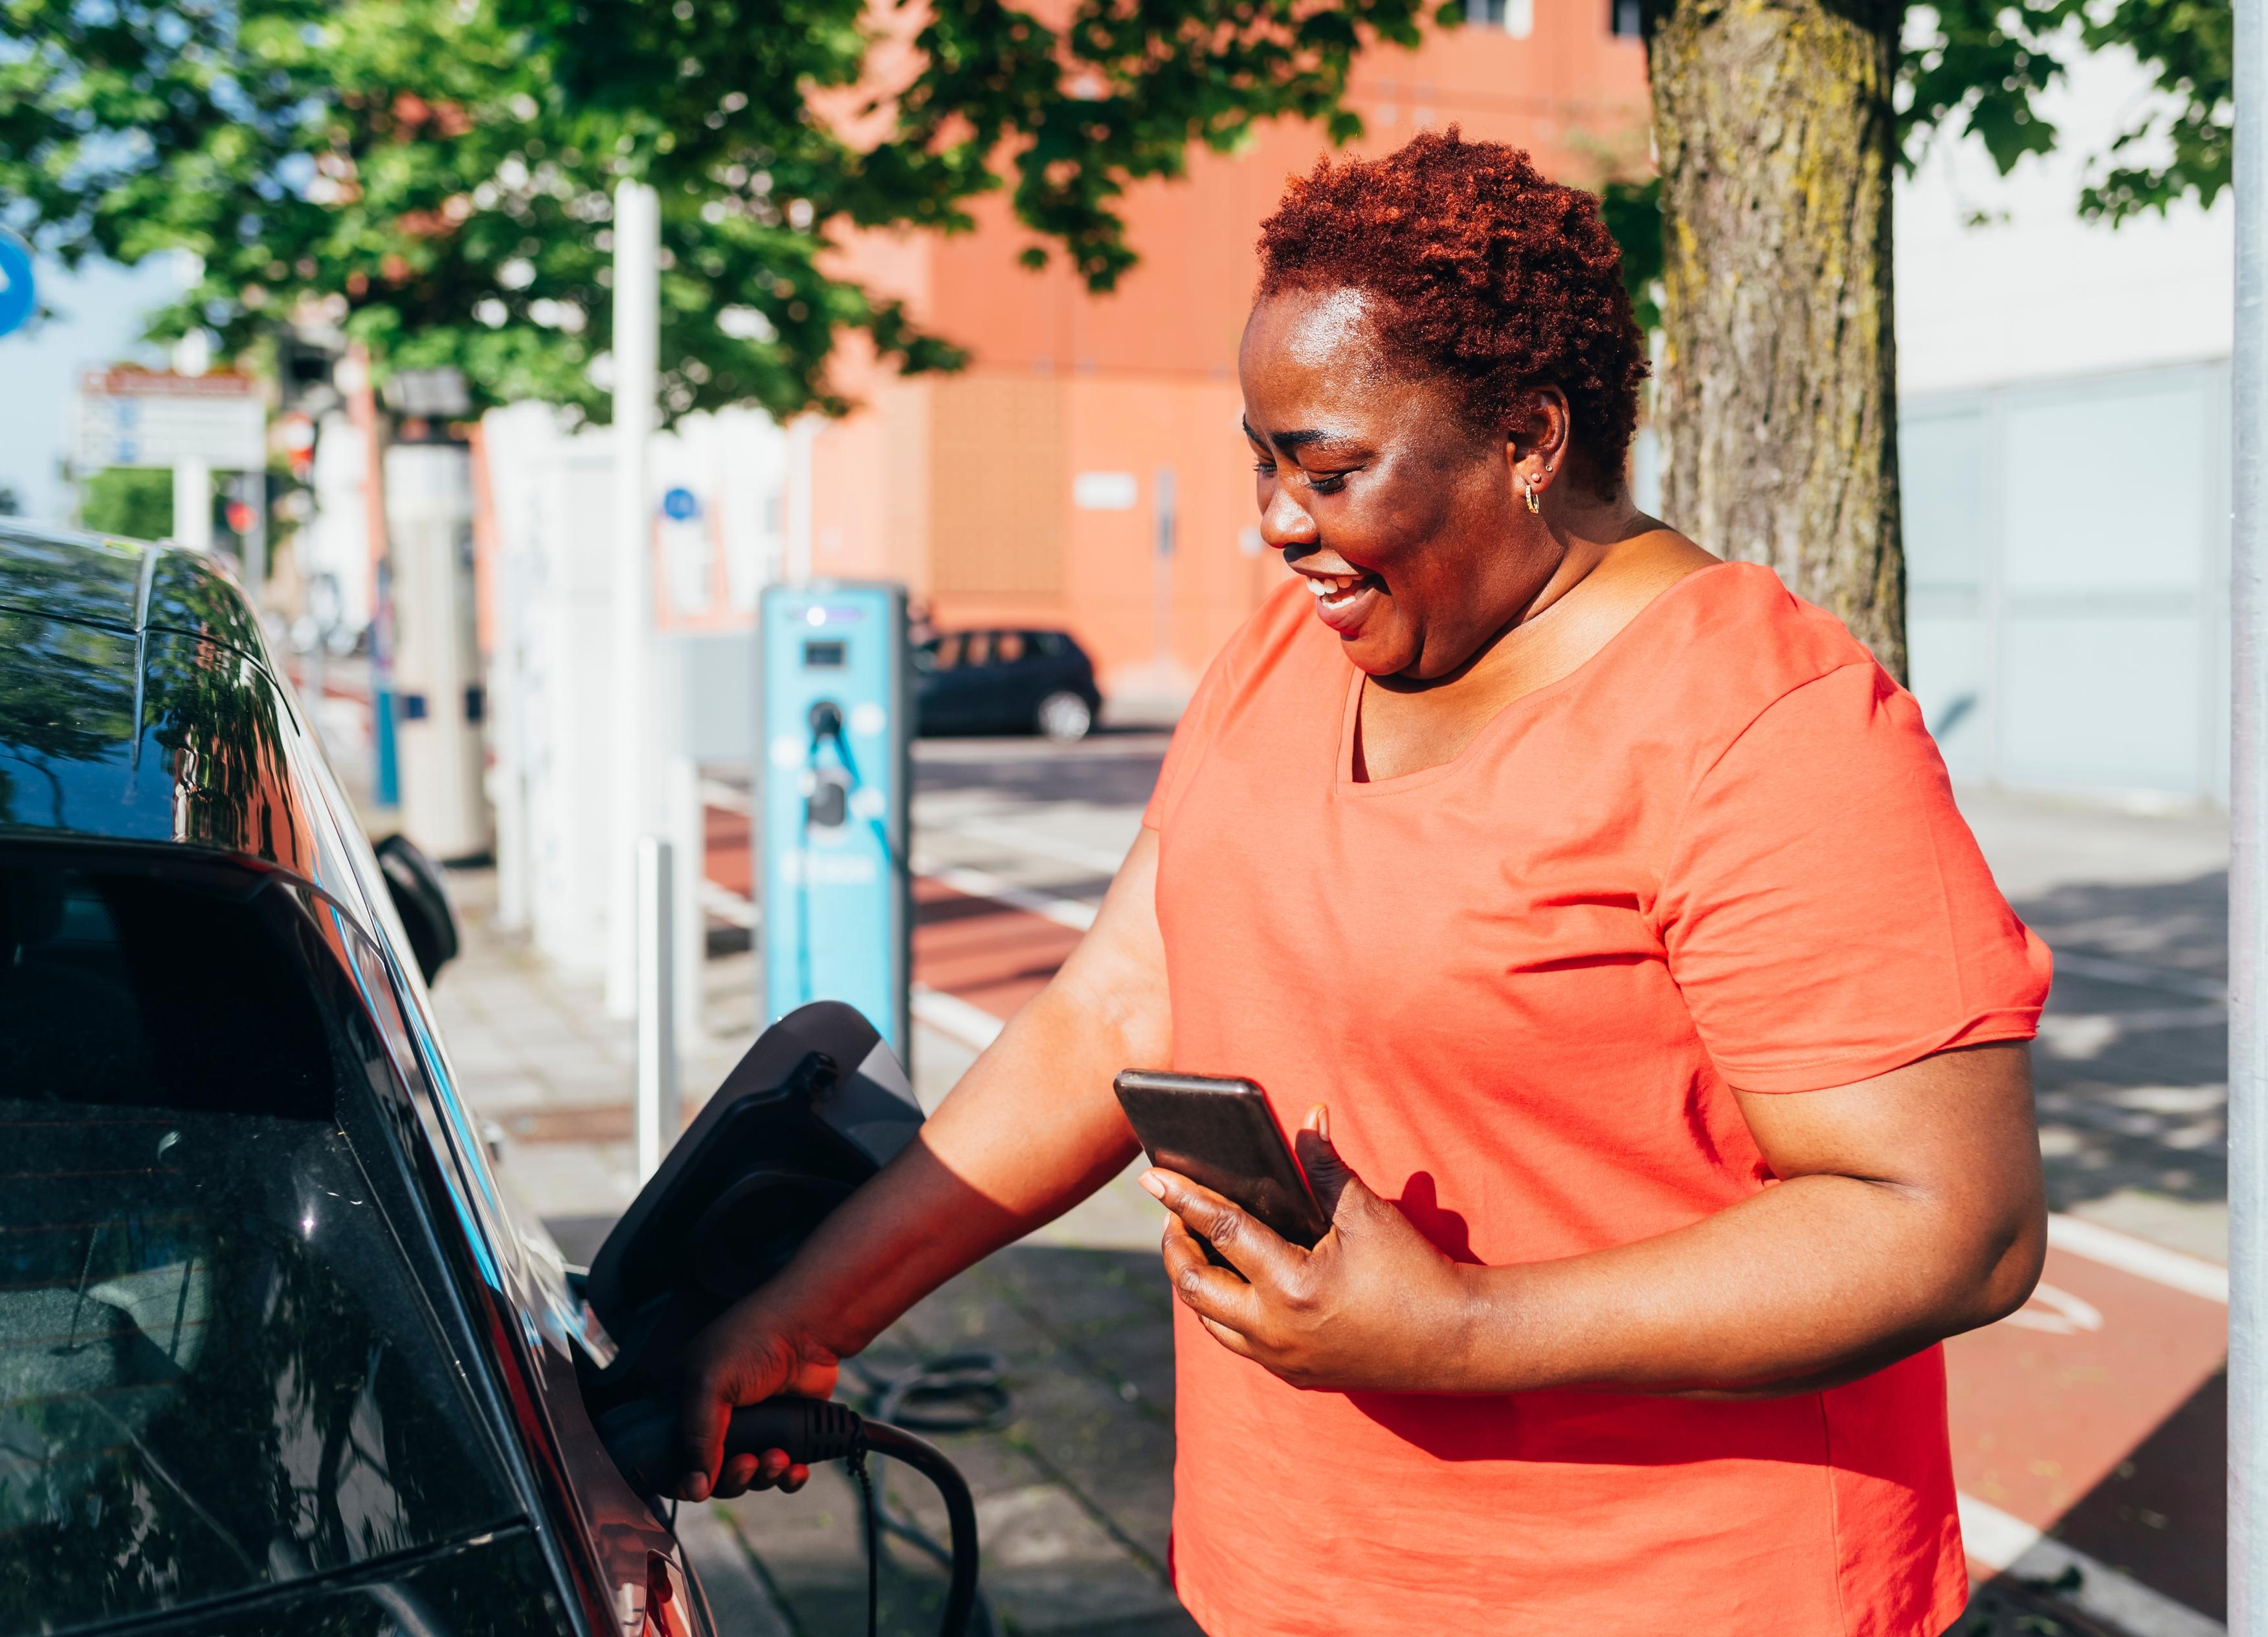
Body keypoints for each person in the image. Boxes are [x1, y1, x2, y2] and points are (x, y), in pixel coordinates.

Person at [678, 129, 2052, 1636]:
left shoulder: (1760, 729)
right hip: (1294, 1576)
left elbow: (1952, 1219)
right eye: (1262, 460)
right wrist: (808, 1313)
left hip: (1669, 1592)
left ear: (1530, 436)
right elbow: (1119, 1004)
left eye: (1327, 469)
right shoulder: (1291, 655)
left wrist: (1467, 1330)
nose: (1276, 521)